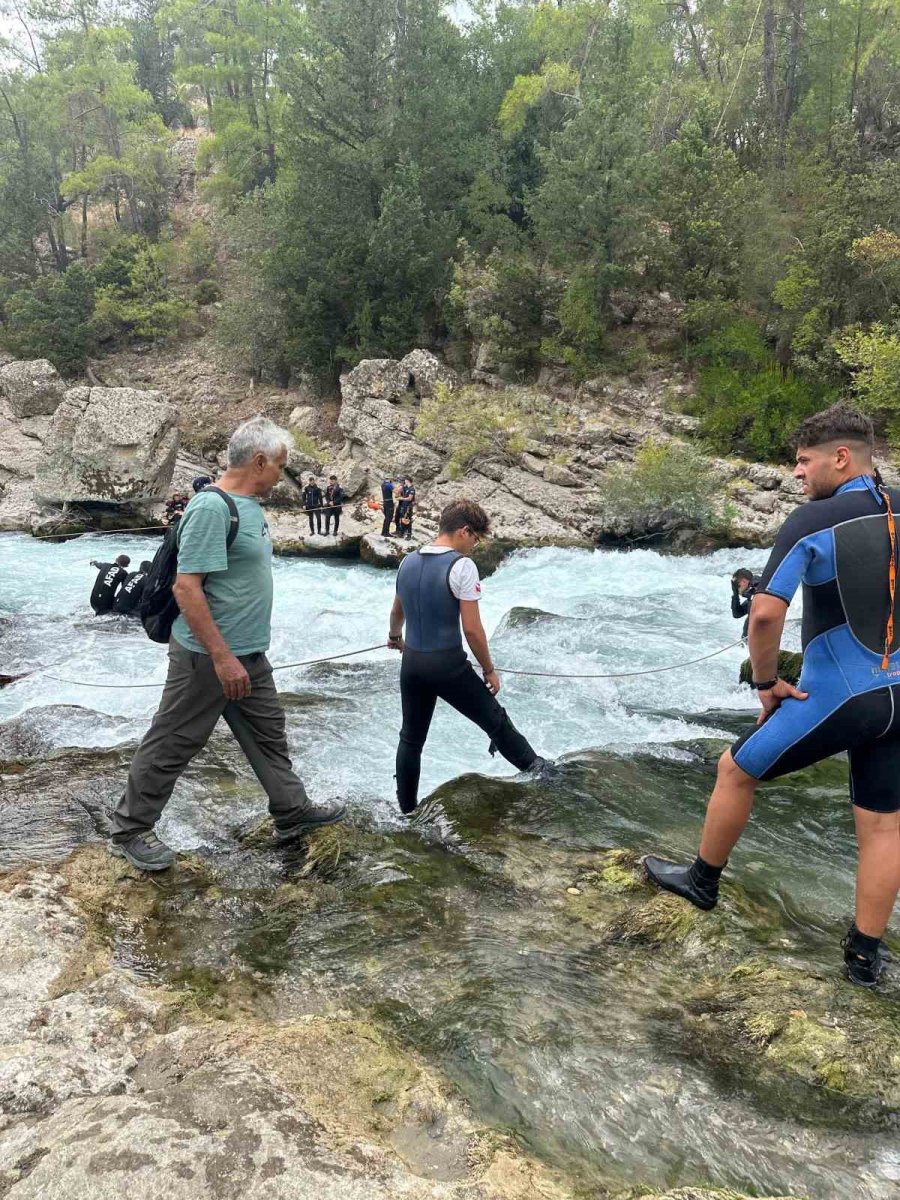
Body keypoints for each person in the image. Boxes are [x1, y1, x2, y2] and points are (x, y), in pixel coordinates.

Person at [643, 404, 900, 988]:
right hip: (899, 696)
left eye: (804, 461)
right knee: (884, 826)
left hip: (839, 694)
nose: (796, 473)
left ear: (841, 458)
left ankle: (701, 883)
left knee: (734, 769)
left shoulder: (814, 521)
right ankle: (864, 957)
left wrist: (766, 682)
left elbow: (764, 614)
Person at [109, 416, 344, 871]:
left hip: (248, 653)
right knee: (174, 740)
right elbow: (187, 588)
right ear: (259, 461)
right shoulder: (211, 509)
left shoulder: (249, 506)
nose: (282, 475)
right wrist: (222, 658)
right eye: (280, 465)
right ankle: (130, 830)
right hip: (207, 657)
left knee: (268, 734)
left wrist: (239, 657)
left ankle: (292, 812)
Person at [387, 498, 545, 815]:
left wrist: (394, 637)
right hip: (447, 666)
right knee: (495, 721)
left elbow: (397, 610)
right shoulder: (461, 566)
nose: (475, 546)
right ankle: (539, 772)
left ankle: (406, 811)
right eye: (475, 538)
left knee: (411, 739)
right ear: (464, 531)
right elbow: (472, 630)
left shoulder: (408, 561)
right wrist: (489, 670)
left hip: (413, 664)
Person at [731, 567, 759, 640]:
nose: (736, 588)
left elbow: (758, 587)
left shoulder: (758, 585)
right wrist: (735, 594)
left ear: (744, 582)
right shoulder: (751, 598)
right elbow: (737, 614)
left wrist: (746, 593)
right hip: (748, 641)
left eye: (736, 585)